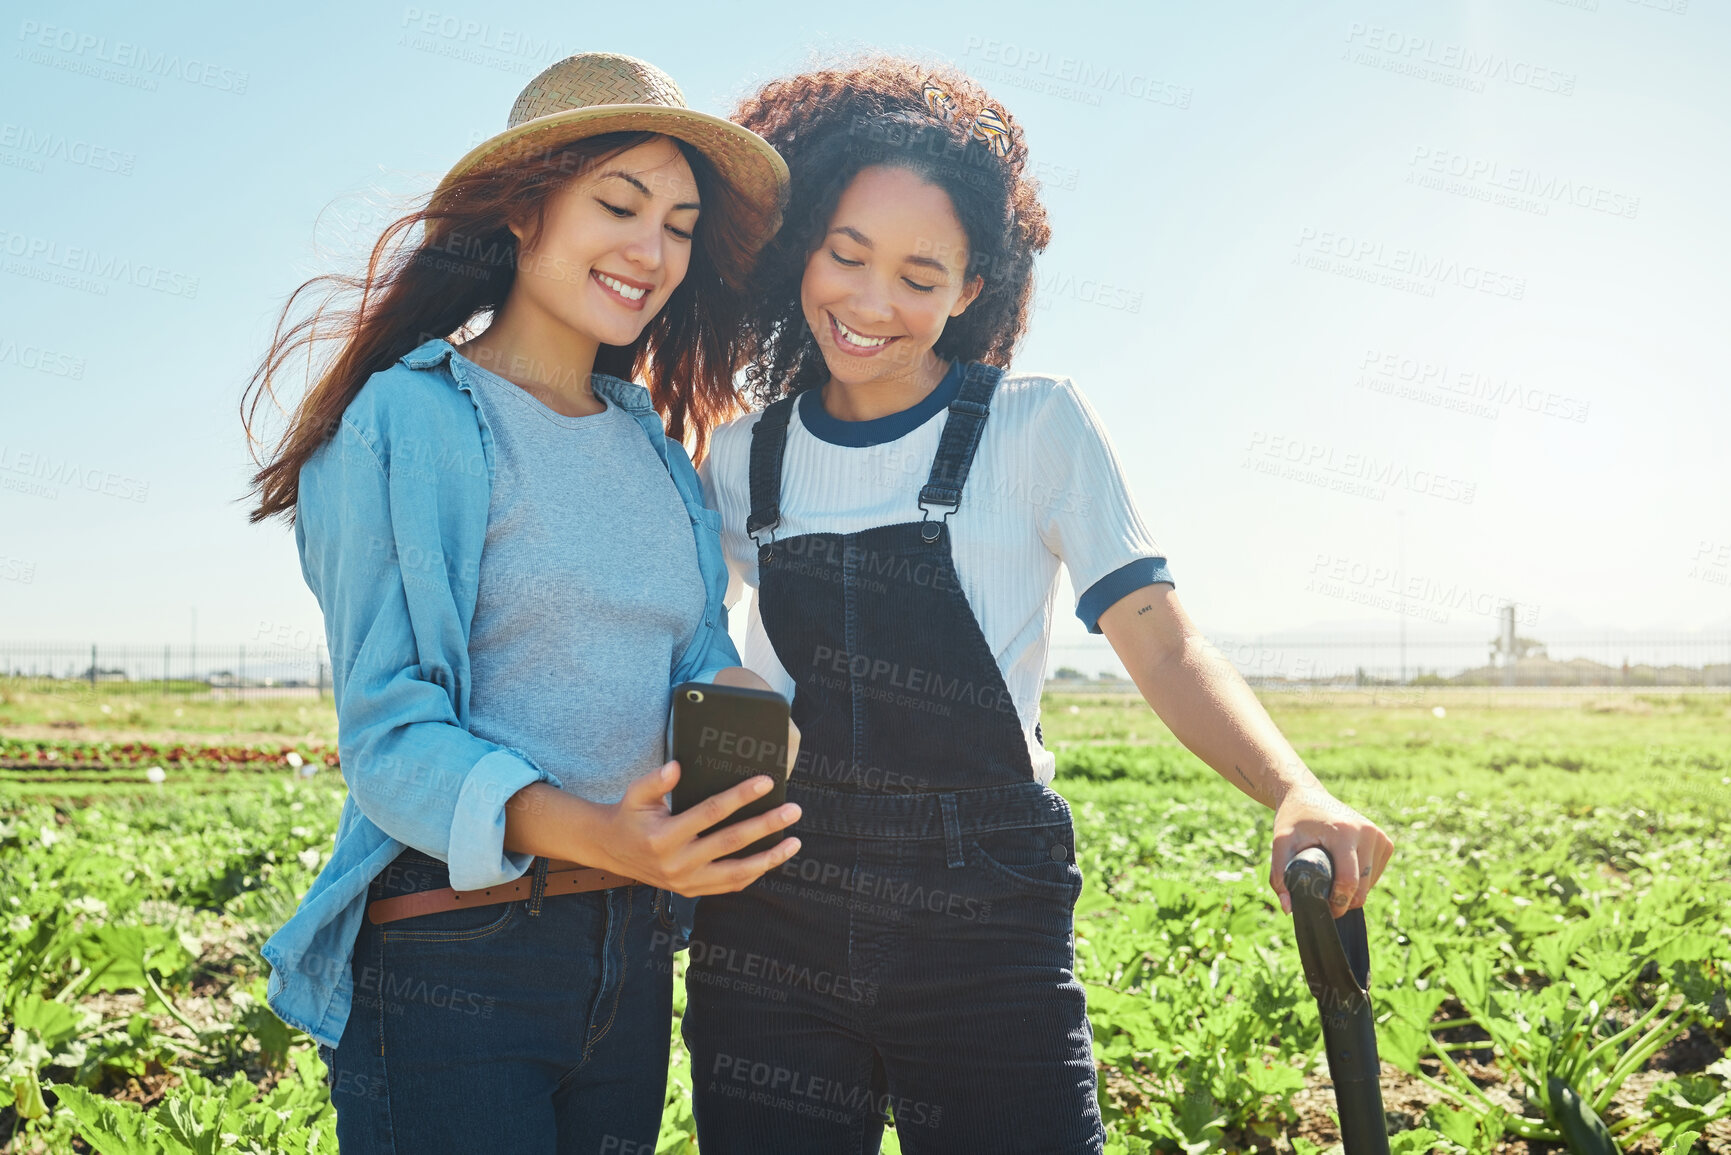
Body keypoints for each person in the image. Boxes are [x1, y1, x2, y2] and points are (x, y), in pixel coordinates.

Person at [683, 57, 1397, 1154]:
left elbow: (1159, 639)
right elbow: (676, 645)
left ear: (974, 290)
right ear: (801, 254)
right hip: (773, 909)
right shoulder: (741, 458)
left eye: (923, 277)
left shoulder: (1035, 427)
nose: (874, 304)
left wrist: (1293, 788)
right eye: (848, 255)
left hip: (983, 923)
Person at [241, 52, 801, 1154]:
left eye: (681, 224)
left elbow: (696, 656)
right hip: (453, 953)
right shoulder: (404, 423)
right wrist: (606, 832)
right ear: (523, 208)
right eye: (621, 204)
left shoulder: (654, 449)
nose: (652, 250)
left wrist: (768, 725)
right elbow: (394, 737)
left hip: (627, 950)